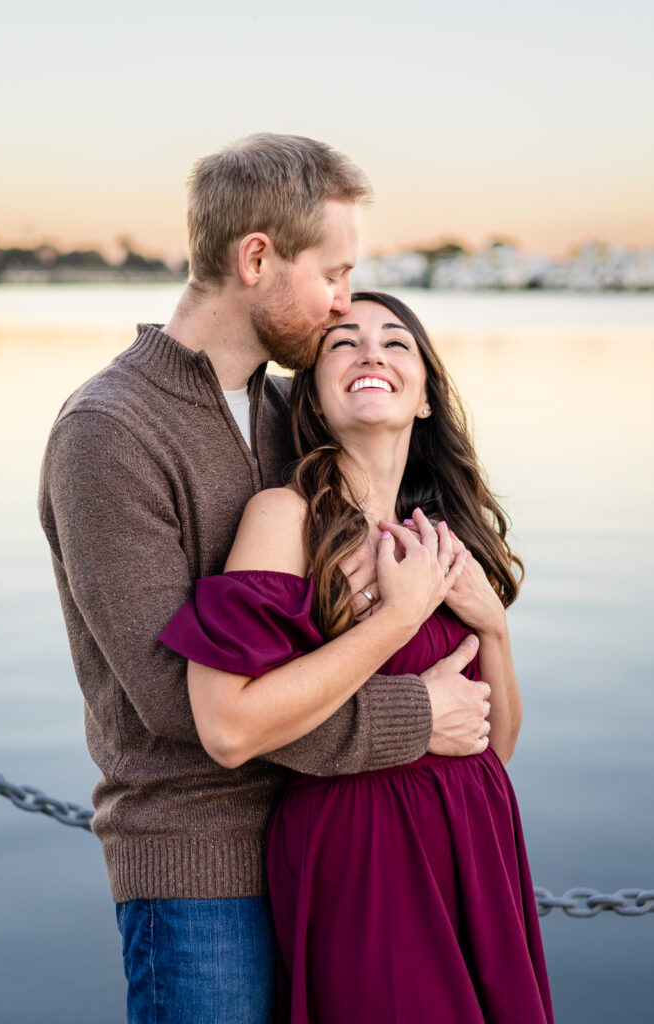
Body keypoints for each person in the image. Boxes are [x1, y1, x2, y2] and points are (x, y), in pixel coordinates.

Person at [38, 135, 491, 1024]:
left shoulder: (291, 415)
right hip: (199, 876)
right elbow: (188, 710)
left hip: (329, 849)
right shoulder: (110, 434)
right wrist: (414, 718)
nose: (343, 301)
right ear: (256, 258)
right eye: (334, 273)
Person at [160, 291, 554, 1023]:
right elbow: (227, 726)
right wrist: (400, 617)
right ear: (309, 392)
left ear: (427, 395)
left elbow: (492, 748)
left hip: (478, 845)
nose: (371, 351)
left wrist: (493, 629)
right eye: (343, 342)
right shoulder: (284, 518)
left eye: (395, 342)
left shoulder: (439, 536)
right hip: (363, 850)